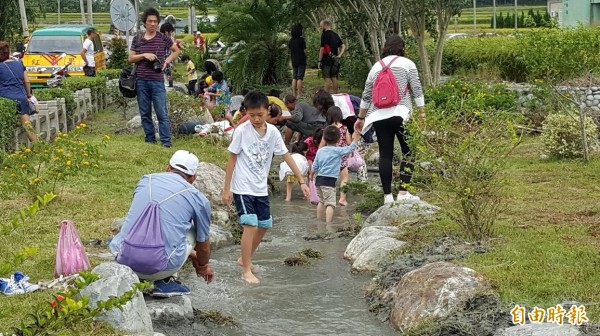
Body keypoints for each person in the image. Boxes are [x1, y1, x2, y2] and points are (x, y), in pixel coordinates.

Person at [222, 91, 310, 284]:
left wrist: (302, 181)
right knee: (250, 224)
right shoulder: (242, 131)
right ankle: (246, 270)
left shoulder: (272, 133)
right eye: (251, 115)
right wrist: (226, 189)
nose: (256, 119)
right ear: (246, 112)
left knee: (264, 224)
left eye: (260, 115)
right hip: (243, 186)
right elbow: (232, 159)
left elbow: (286, 155)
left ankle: (243, 258)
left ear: (268, 111)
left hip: (260, 187)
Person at [109, 150, 214, 297]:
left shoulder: (146, 180)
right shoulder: (198, 198)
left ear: (167, 168)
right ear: (193, 178)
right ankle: (164, 282)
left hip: (122, 258)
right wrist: (202, 265)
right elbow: (204, 246)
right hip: (158, 269)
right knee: (194, 228)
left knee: (145, 219)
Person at [354, 35, 425, 205]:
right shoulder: (408, 64)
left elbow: (366, 95)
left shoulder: (376, 67)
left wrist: (361, 118)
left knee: (385, 154)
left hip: (379, 116)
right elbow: (416, 88)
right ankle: (403, 191)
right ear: (402, 48)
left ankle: (387, 197)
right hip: (402, 113)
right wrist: (422, 112)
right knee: (408, 151)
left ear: (385, 48)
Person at [128, 7, 180, 148]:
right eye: (150, 21)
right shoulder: (138, 38)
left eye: (155, 21)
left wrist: (166, 62)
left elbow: (176, 50)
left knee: (161, 112)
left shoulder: (163, 38)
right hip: (141, 80)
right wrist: (145, 55)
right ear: (144, 23)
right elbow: (131, 58)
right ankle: (150, 140)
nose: (152, 24)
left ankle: (166, 142)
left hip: (157, 80)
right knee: (145, 113)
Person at [311, 124, 361, 223]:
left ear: (324, 138)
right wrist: (356, 138)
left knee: (321, 201)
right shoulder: (338, 150)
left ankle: (319, 221)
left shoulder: (320, 151)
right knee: (330, 204)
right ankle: (328, 224)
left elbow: (315, 165)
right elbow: (350, 149)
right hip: (329, 180)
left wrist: (311, 175)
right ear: (338, 140)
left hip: (319, 179)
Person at [0, 41, 37, 142]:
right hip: (21, 98)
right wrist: (29, 95)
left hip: (5, 99)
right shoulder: (19, 63)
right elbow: (27, 81)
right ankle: (38, 147)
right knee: (27, 125)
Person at [323, 106, 351, 206]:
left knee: (331, 178)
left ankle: (330, 199)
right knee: (344, 179)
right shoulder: (344, 128)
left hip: (330, 158)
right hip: (342, 157)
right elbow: (348, 142)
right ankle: (342, 199)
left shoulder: (327, 129)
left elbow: (322, 144)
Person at [318, 20, 345, 94]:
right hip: (335, 60)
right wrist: (339, 55)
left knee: (327, 79)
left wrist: (319, 61)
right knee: (334, 77)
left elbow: (322, 48)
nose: (321, 27)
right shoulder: (335, 34)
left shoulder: (324, 34)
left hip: (326, 59)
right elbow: (343, 45)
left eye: (321, 26)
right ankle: (336, 95)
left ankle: (324, 98)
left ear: (326, 24)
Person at [288, 24, 307, 97]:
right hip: (301, 60)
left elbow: (290, 50)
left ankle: (293, 93)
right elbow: (305, 50)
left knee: (294, 77)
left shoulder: (291, 41)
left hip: (294, 60)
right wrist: (306, 56)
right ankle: (299, 94)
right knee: (300, 77)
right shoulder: (301, 40)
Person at [160, 23, 176, 87]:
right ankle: (170, 84)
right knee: (168, 73)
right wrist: (170, 64)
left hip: (162, 61)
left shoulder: (157, 37)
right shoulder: (166, 39)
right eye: (171, 32)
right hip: (165, 61)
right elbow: (167, 54)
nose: (171, 34)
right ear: (166, 32)